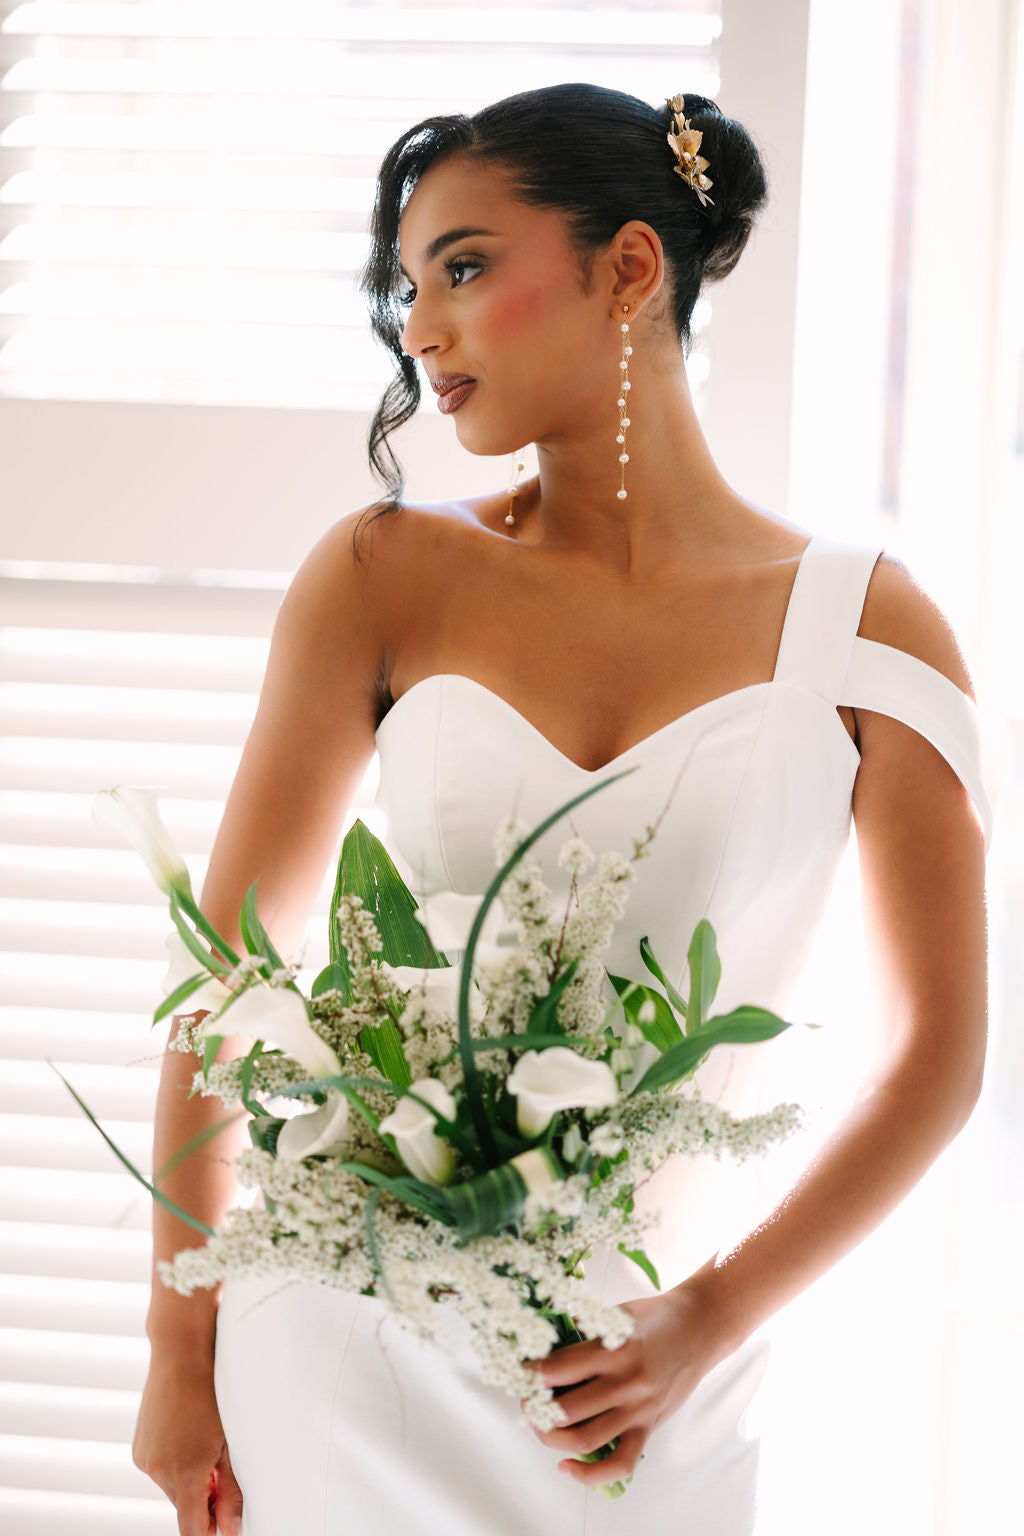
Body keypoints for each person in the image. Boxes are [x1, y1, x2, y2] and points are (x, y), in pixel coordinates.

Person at [130, 83, 992, 1535]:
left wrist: (706, 1322)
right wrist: (177, 1347)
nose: (419, 328)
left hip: (649, 1370)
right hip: (350, 1337)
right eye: (406, 290)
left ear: (631, 269)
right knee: (326, 1354)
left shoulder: (872, 631)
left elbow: (941, 1057)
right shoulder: (383, 575)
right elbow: (227, 975)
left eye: (464, 266)